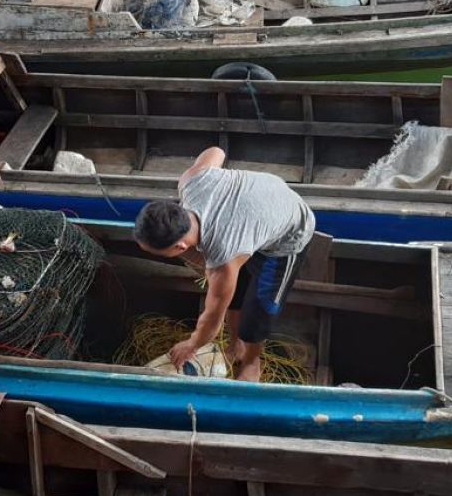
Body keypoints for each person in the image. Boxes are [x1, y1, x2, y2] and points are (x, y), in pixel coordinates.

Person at [131, 146, 315, 382]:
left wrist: (191, 344)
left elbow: (211, 320)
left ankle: (251, 361)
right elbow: (216, 151)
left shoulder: (224, 259)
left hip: (288, 232)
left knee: (259, 310)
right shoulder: (191, 180)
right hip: (261, 202)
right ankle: (235, 345)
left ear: (179, 247)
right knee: (235, 295)